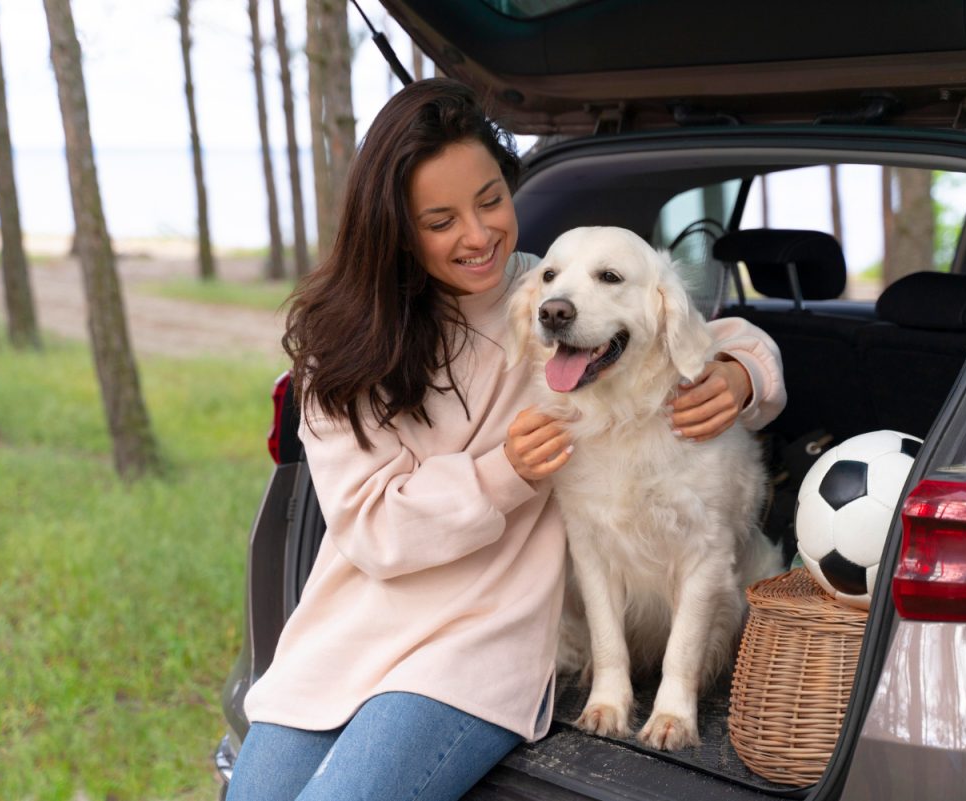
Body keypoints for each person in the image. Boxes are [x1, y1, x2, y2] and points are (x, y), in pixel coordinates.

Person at [226, 78, 786, 801]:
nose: (480, 233)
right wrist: (504, 473)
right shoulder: (343, 354)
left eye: (491, 200)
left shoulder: (543, 296)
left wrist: (744, 373)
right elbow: (372, 530)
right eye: (441, 219)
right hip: (351, 629)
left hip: (479, 648)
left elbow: (694, 324)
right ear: (395, 228)